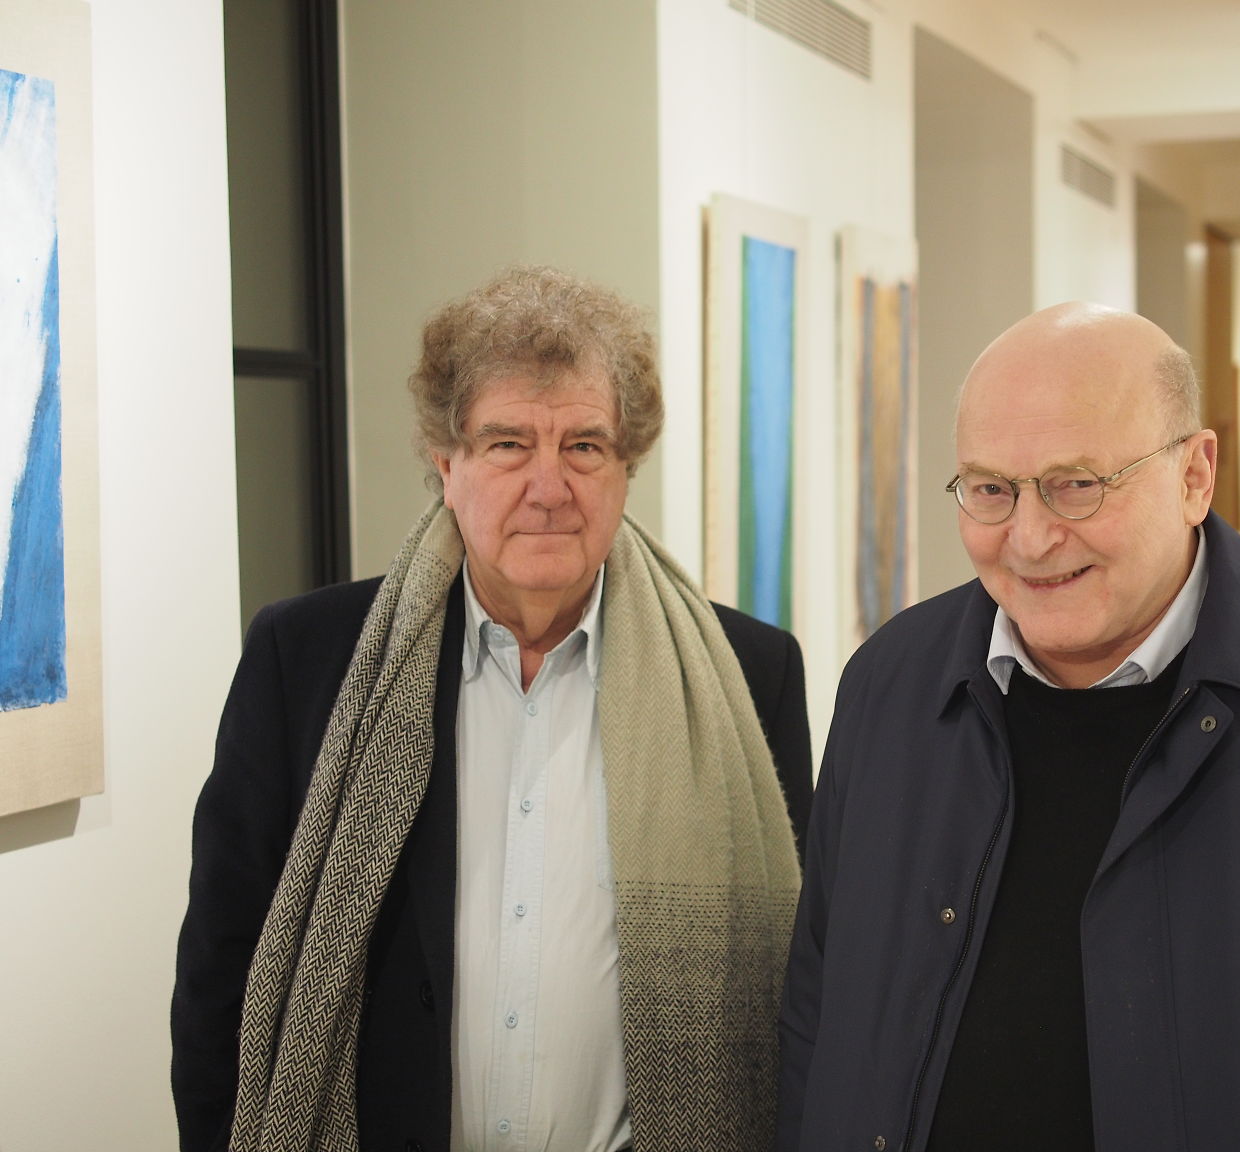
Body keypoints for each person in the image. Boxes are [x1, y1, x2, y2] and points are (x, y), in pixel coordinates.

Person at [777, 302, 1240, 1152]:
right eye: (991, 489)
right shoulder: (889, 683)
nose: (1030, 538)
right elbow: (819, 1019)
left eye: (1077, 484)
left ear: (1195, 476)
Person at [173, 266, 811, 1152]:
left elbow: (800, 983)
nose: (549, 487)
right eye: (508, 444)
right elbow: (223, 966)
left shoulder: (749, 675)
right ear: (448, 465)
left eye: (584, 446)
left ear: (626, 470)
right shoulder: (307, 660)